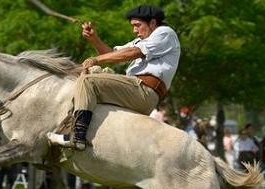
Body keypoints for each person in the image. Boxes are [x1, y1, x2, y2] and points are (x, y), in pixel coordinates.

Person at [47, 5, 181, 150]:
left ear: (153, 23)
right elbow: (112, 53)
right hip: (135, 89)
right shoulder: (141, 41)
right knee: (92, 73)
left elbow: (131, 53)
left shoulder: (165, 32)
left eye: (137, 25)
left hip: (143, 90)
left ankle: (77, 136)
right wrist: (94, 39)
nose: (134, 30)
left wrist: (97, 59)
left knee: (88, 81)